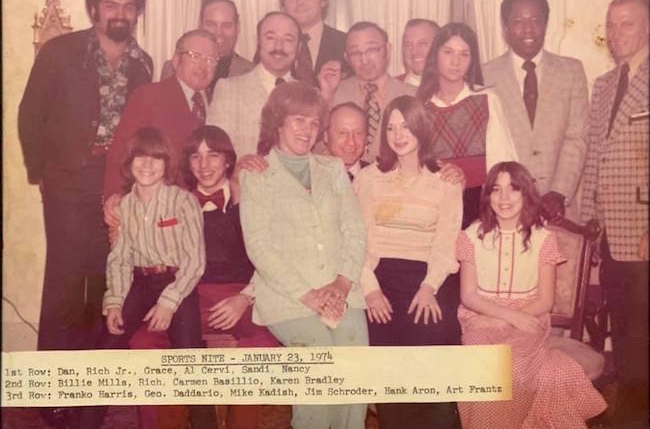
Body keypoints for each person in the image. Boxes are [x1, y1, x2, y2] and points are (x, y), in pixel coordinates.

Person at [18, 0, 152, 428]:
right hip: (68, 181)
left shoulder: (143, 64)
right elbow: (29, 114)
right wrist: (45, 175)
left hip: (117, 185)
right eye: (111, 4)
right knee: (63, 287)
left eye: (129, 6)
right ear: (95, 9)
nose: (120, 13)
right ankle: (51, 393)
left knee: (104, 285)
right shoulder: (60, 52)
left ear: (136, 14)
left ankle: (89, 391)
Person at [129, 125, 280, 429]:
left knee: (263, 343)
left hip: (242, 297)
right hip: (187, 299)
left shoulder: (248, 196)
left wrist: (244, 298)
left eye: (213, 155)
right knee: (143, 344)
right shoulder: (173, 201)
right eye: (196, 157)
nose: (204, 164)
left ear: (228, 160)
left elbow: (271, 261)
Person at [239, 81, 368, 429]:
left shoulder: (333, 170)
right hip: (288, 298)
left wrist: (341, 285)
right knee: (318, 362)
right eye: (298, 120)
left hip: (343, 291)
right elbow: (259, 247)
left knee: (355, 370)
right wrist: (310, 295)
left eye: (314, 123)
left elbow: (355, 232)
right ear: (278, 122)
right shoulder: (256, 175)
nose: (307, 131)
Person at [77, 126, 216, 428]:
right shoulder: (125, 205)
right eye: (141, 157)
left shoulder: (182, 202)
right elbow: (121, 258)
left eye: (156, 158)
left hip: (178, 282)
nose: (147, 165)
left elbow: (195, 261)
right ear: (129, 163)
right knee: (105, 350)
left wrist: (169, 302)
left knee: (190, 358)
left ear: (167, 164)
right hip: (139, 283)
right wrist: (114, 301)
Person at [456, 161, 606, 428]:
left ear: (526, 194)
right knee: (481, 366)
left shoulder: (542, 239)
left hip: (529, 317)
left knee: (512, 370)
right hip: (481, 317)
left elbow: (545, 301)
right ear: (487, 195)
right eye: (496, 190)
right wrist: (501, 315)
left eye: (513, 189)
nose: (504, 198)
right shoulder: (471, 236)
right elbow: (469, 295)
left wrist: (510, 319)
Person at [355, 95, 463, 429]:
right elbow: (356, 242)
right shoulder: (369, 178)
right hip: (379, 276)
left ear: (421, 129)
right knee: (388, 359)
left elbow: (447, 244)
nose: (398, 135)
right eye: (391, 127)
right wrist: (370, 291)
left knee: (431, 340)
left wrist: (429, 287)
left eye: (406, 126)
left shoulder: (445, 181)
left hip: (429, 277)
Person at [580, 0, 649, 429]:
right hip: (610, 232)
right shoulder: (604, 85)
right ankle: (629, 404)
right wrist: (590, 217)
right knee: (622, 326)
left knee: (642, 330)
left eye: (626, 23)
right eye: (610, 24)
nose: (615, 33)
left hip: (643, 231)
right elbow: (594, 154)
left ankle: (635, 416)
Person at [482, 0, 589, 221]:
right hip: (505, 210)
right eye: (518, 21)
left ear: (546, 24)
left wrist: (559, 192)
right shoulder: (484, 75)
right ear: (505, 28)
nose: (528, 29)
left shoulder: (571, 71)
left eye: (535, 20)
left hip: (559, 210)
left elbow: (577, 137)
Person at [103, 29, 219, 232]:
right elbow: (122, 150)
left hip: (209, 214)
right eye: (194, 56)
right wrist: (115, 195)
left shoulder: (220, 101)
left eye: (211, 59)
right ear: (175, 61)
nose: (203, 65)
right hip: (160, 213)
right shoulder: (149, 96)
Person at [417, 22, 518, 229]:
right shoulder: (421, 105)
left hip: (479, 207)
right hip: (433, 208)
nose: (456, 62)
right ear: (435, 55)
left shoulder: (487, 99)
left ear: (472, 61)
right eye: (448, 52)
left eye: (464, 54)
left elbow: (503, 163)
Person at [206, 11, 301, 157]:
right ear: (259, 41)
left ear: (299, 47)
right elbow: (215, 151)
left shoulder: (308, 94)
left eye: (288, 39)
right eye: (270, 38)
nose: (278, 46)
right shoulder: (228, 89)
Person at [332, 21, 415, 163]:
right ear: (346, 57)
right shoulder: (333, 92)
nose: (364, 60)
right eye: (355, 52)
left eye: (372, 50)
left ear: (387, 50)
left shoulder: (412, 96)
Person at [160, 0, 253, 101]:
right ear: (200, 25)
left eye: (226, 25)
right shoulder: (174, 67)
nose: (218, 33)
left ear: (238, 28)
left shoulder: (252, 74)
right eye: (211, 24)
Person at [279, 0, 352, 83]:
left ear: (322, 0)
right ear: (284, 6)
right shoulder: (273, 46)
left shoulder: (344, 43)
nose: (299, 1)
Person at [323, 102, 369, 181]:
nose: (351, 142)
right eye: (342, 133)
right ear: (326, 136)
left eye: (358, 133)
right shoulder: (311, 177)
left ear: (366, 139)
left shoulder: (380, 178)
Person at [397, 18, 440, 87]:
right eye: (408, 45)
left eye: (422, 44)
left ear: (439, 46)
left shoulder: (456, 89)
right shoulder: (387, 89)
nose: (414, 52)